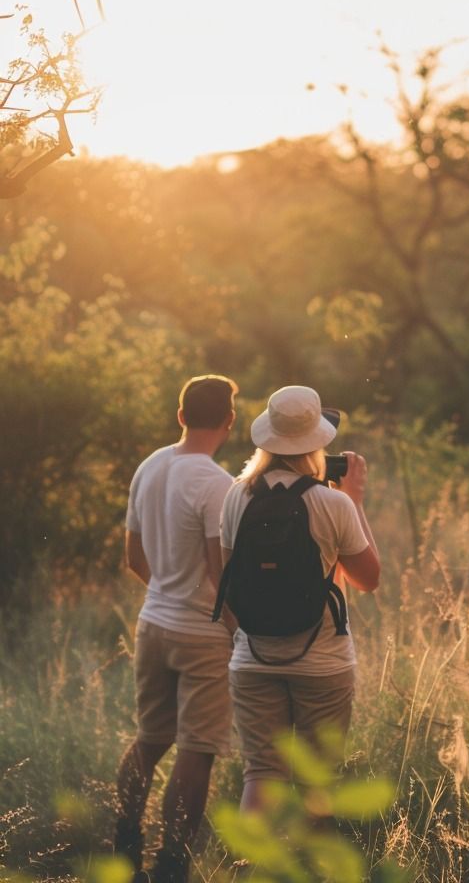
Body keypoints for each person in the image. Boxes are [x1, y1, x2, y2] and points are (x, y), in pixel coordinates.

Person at [219, 385, 380, 811]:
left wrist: (246, 636)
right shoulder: (333, 503)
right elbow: (368, 579)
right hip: (323, 662)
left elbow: (226, 576)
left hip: (253, 660)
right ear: (318, 444)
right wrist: (354, 500)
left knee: (262, 773)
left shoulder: (236, 495)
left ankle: (253, 872)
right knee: (317, 782)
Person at [114, 374, 239, 883]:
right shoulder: (217, 484)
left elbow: (132, 556)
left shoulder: (150, 467)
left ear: (181, 414)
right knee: (197, 749)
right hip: (202, 636)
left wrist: (165, 588)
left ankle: (124, 842)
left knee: (148, 739)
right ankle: (172, 864)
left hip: (153, 623)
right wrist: (241, 632)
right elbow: (220, 574)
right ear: (229, 423)